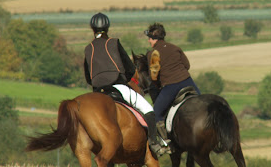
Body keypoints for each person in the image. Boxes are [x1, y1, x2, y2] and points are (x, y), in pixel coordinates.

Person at [84, 13, 167, 156]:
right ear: (107, 28)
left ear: (92, 29)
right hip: (118, 86)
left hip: (97, 92)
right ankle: (154, 144)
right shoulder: (114, 42)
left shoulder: (87, 49)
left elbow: (88, 77)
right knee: (148, 110)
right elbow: (129, 67)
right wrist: (127, 78)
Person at [144, 22, 200, 141]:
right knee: (201, 102)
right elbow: (187, 65)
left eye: (150, 38)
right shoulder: (175, 48)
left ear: (154, 39)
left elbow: (154, 76)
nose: (149, 41)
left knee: (156, 113)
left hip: (171, 86)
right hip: (188, 81)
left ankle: (165, 142)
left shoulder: (153, 53)